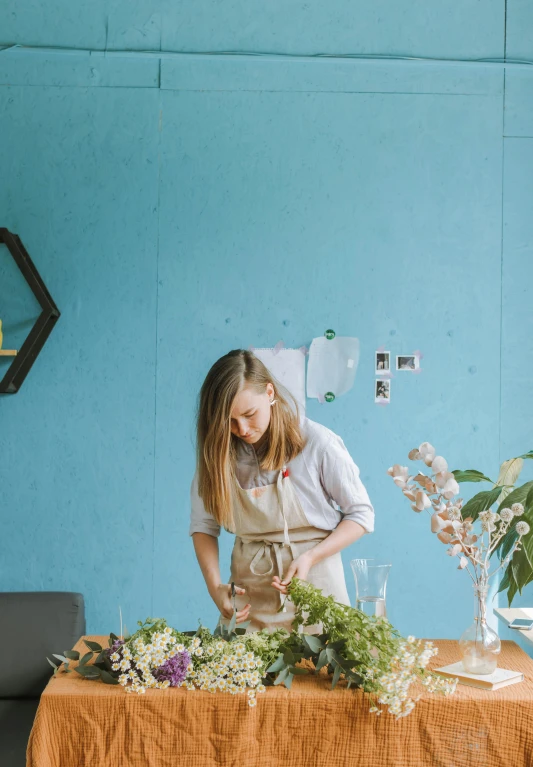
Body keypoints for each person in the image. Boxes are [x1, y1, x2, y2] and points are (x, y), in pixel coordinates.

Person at [189, 349, 375, 634]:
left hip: (317, 589)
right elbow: (203, 525)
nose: (242, 429)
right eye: (230, 421)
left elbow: (361, 515)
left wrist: (310, 557)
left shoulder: (317, 443)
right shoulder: (217, 454)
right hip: (249, 598)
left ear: (270, 392)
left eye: (250, 414)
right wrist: (215, 587)